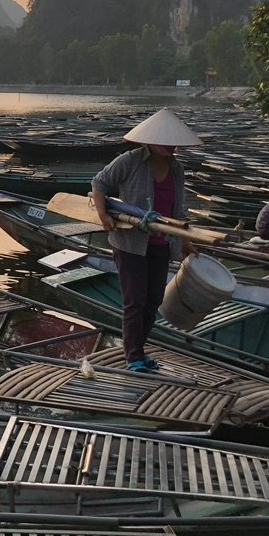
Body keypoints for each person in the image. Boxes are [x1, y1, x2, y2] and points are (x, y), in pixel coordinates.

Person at [91, 108, 201, 373]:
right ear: (150, 141)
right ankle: (134, 356)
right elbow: (100, 183)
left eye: (173, 143)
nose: (171, 147)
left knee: (154, 300)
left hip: (162, 242)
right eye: (165, 142)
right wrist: (103, 213)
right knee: (135, 300)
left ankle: (140, 349)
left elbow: (178, 208)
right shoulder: (129, 161)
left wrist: (185, 241)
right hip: (130, 242)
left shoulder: (177, 169)